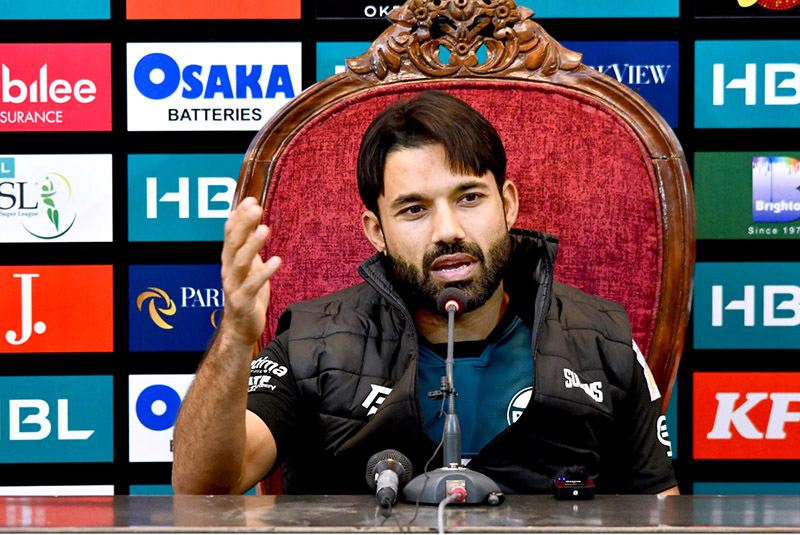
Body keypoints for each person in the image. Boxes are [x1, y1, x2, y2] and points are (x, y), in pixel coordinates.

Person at [172, 90, 678, 496]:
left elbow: (659, 516)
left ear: (508, 204)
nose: (447, 230)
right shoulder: (313, 341)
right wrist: (237, 337)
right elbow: (203, 487)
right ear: (376, 230)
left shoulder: (602, 340)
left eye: (470, 197)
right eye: (414, 209)